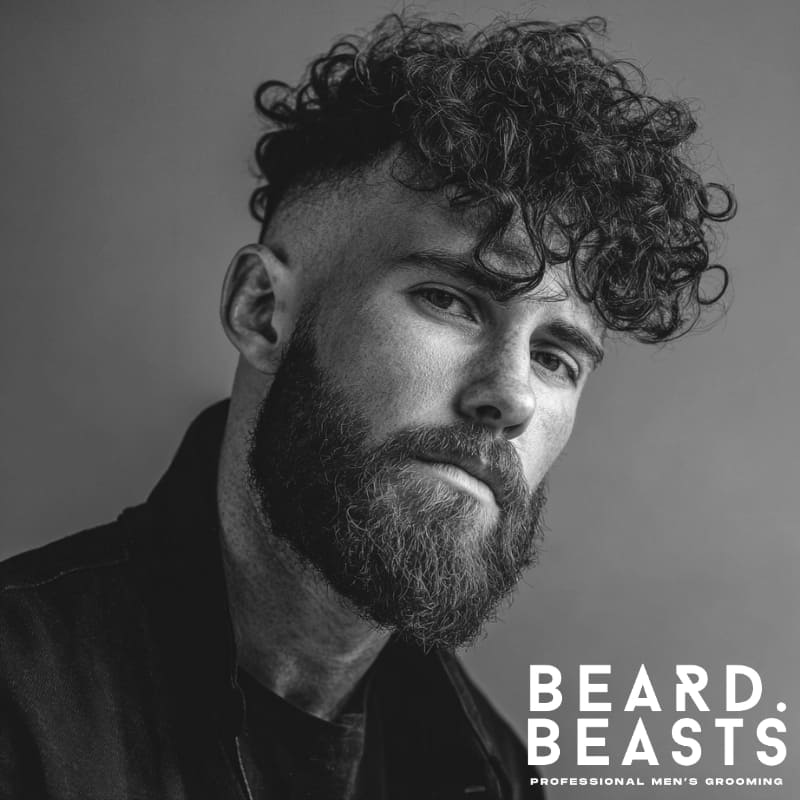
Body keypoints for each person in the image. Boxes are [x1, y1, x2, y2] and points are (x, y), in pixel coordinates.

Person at [0, 13, 734, 800]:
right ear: (260, 312)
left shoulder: (494, 777)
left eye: (556, 357)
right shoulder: (20, 703)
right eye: (450, 301)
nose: (511, 396)